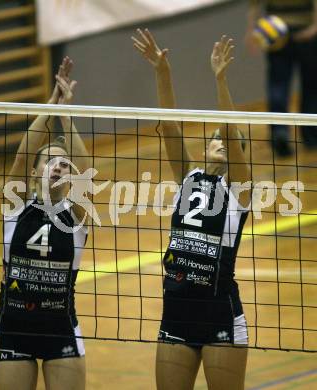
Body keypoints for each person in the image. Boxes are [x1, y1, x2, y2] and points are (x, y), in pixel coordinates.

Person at [132, 29, 251, 390]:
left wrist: (220, 79)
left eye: (226, 141)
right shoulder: (188, 177)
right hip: (177, 312)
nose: (219, 142)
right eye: (213, 138)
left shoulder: (239, 191)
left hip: (220, 312)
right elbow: (169, 127)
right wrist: (161, 72)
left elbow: (231, 131)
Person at [0, 57, 90, 390]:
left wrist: (65, 114)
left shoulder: (75, 213)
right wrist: (50, 105)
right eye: (49, 160)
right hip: (12, 329)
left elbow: (86, 168)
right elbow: (22, 155)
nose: (57, 165)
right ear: (35, 171)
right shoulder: (16, 205)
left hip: (60, 329)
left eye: (63, 162)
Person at [245, 0, 317, 156]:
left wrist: (251, 31)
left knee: (278, 85)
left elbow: (254, 5)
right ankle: (310, 136)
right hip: (303, 30)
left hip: (276, 35)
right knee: (310, 87)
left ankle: (280, 132)